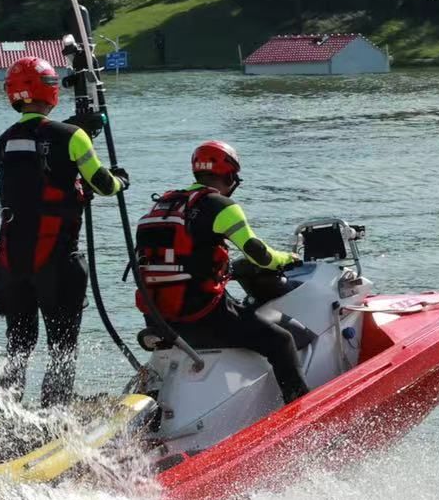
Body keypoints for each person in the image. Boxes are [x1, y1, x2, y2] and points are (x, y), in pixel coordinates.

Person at [0, 55, 125, 408]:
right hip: (56, 263)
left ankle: (9, 415)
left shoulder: (3, 142)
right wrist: (121, 179)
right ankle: (56, 415)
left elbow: (35, 158)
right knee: (62, 349)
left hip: (11, 265)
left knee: (18, 347)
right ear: (48, 90)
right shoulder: (73, 137)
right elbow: (103, 184)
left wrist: (69, 130)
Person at [133, 140, 313, 404]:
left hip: (161, 320)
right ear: (229, 175)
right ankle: (302, 413)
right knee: (281, 341)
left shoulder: (165, 206)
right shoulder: (220, 206)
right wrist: (287, 258)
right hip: (203, 317)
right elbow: (259, 255)